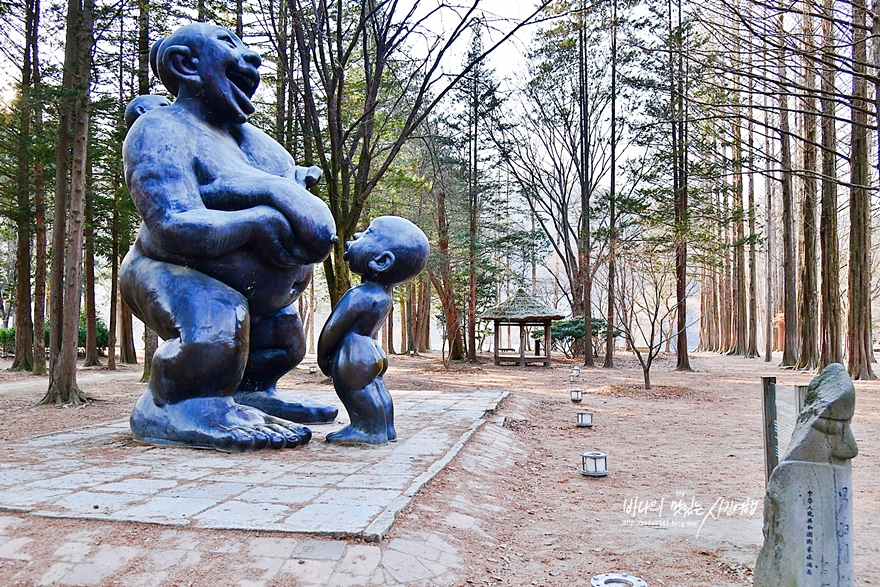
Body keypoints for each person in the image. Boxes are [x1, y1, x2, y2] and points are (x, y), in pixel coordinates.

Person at [121, 23, 338, 451]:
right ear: (185, 63)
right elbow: (174, 223)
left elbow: (294, 204)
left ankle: (251, 392)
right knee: (219, 319)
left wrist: (292, 187)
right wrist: (256, 220)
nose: (252, 57)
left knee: (283, 336)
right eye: (228, 45)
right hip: (168, 268)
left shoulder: (253, 143)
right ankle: (178, 405)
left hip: (263, 294)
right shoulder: (162, 130)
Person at [317, 216, 429, 444]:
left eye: (367, 234)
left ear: (381, 262)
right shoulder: (384, 296)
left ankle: (368, 430)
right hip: (373, 349)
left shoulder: (358, 295)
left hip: (355, 353)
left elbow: (333, 328)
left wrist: (322, 355)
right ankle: (386, 427)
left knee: (357, 391)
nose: (357, 235)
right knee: (376, 388)